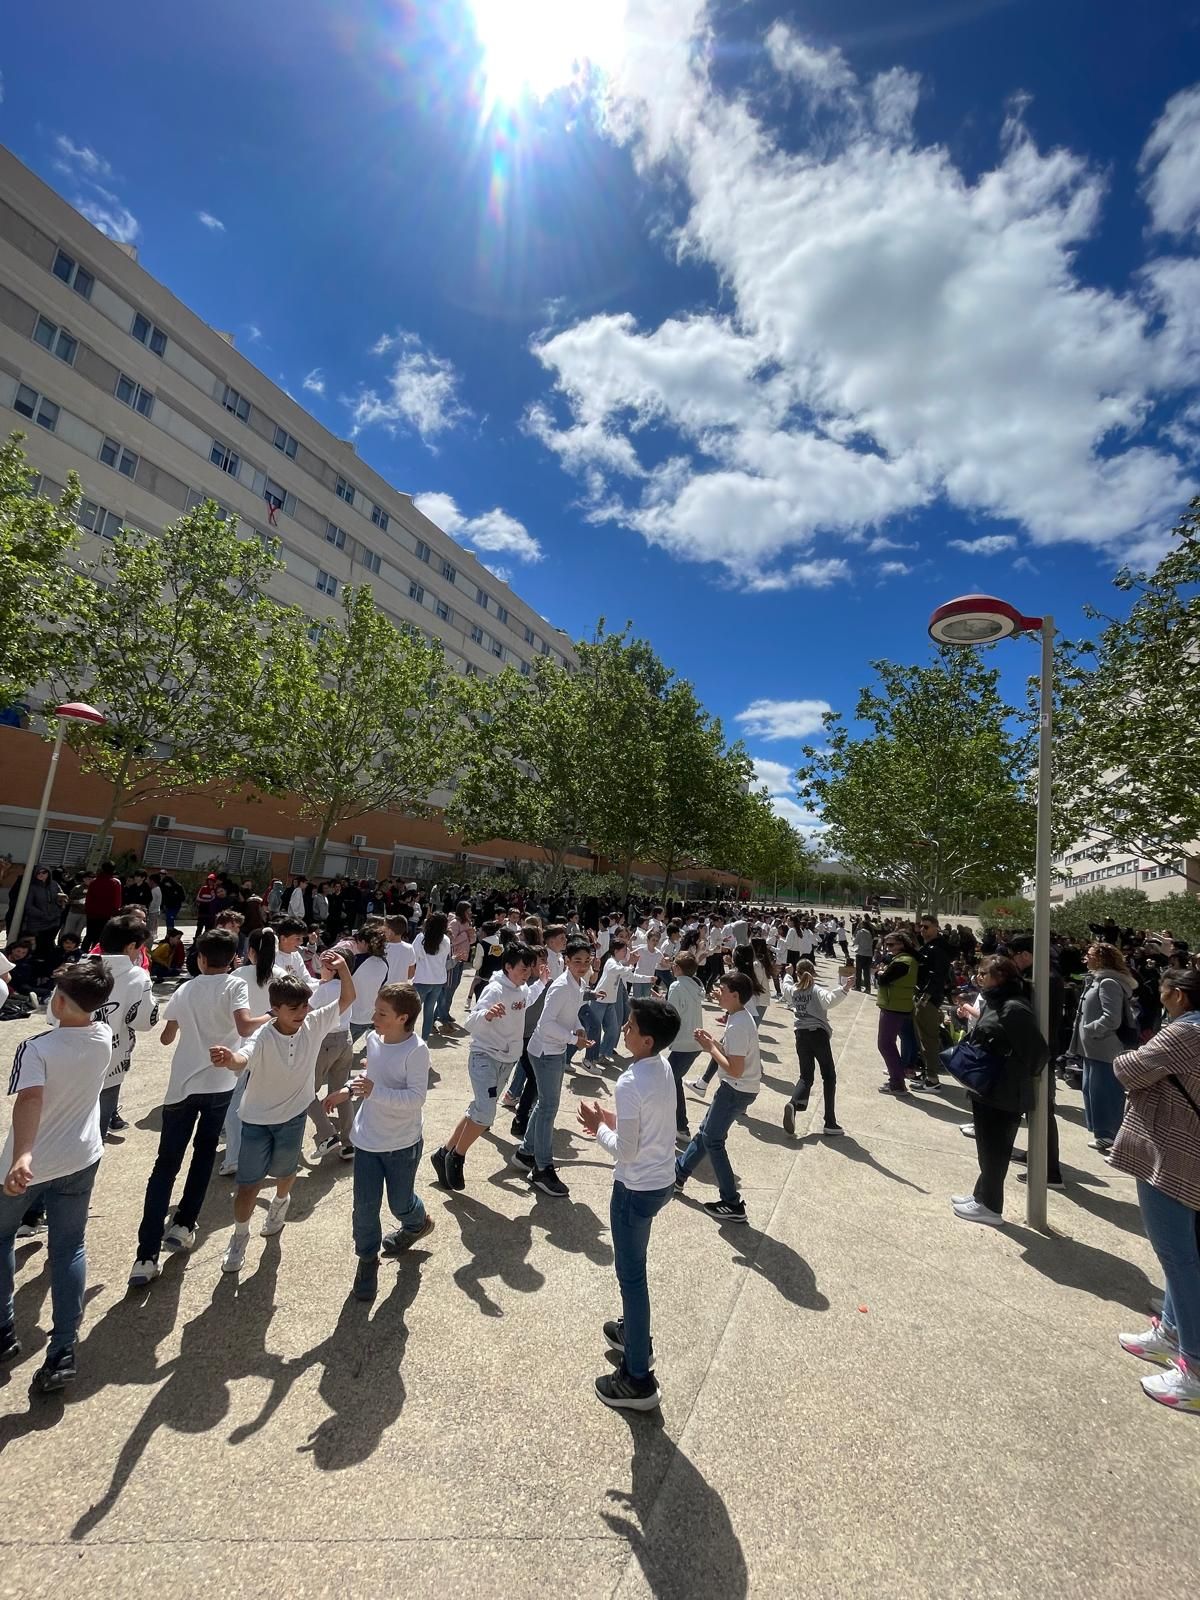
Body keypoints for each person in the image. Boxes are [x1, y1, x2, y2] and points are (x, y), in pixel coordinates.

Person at [0, 959, 115, 1394]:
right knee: (69, 1249)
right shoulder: (102, 1036)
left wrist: (22, 1155)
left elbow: (29, 1100)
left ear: (60, 1001)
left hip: (31, 1163)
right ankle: (63, 1350)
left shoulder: (37, 1048)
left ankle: (4, 1329)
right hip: (82, 1157)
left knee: (1, 1237)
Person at [127, 929, 266, 1287]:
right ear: (234, 959)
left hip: (181, 1086)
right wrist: (276, 1014)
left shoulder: (185, 988)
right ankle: (184, 1224)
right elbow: (244, 1025)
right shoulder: (235, 985)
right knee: (204, 1156)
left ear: (200, 959)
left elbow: (166, 1036)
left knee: (165, 1166)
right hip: (219, 1084)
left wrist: (188, 1023)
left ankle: (145, 1256)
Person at [210, 952, 354, 1274]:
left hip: (293, 1118)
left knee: (286, 1173)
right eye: (294, 1009)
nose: (302, 1013)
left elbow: (348, 998)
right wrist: (228, 1058)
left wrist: (343, 968)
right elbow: (242, 1060)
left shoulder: (314, 1023)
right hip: (256, 1121)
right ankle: (240, 1236)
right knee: (248, 1184)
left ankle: (279, 1205)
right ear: (275, 1010)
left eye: (305, 1006)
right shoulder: (263, 1035)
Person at [578, 997, 679, 1412]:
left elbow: (627, 1151)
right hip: (661, 1180)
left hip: (635, 1188)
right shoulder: (662, 1068)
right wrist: (614, 1122)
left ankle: (638, 1376)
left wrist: (599, 1127)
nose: (623, 1029)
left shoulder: (629, 1081)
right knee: (634, 1273)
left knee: (632, 1277)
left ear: (647, 1040)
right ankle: (633, 1334)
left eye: (631, 1027)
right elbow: (649, 1128)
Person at [1111, 966, 1200, 1414]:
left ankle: (1195, 1369)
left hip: (1176, 1153)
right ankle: (1172, 1330)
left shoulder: (1186, 1032)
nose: (1159, 997)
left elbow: (1128, 1067)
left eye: (1163, 992)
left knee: (1178, 1258)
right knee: (1187, 1254)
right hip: (1191, 1150)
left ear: (1180, 996)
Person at [323, 981, 435, 1302]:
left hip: (402, 1143)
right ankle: (367, 1260)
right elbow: (369, 1080)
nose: (374, 1017)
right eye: (376, 1010)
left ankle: (416, 1223)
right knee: (365, 1207)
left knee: (400, 1203)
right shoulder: (374, 1039)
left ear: (403, 1018)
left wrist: (374, 1091)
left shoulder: (417, 1050)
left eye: (382, 1013)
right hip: (369, 1140)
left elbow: (416, 1099)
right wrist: (346, 1091)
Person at [952, 956, 1048, 1226]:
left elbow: (1037, 1054)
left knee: (995, 1150)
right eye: (978, 973)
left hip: (1004, 1091)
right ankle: (981, 1196)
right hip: (987, 1088)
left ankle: (992, 1208)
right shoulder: (995, 1002)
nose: (979, 978)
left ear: (1002, 977)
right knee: (986, 1147)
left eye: (985, 974)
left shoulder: (1014, 1008)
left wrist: (1012, 1073)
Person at [432, 943, 534, 1192]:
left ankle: (443, 1153)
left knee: (478, 1109)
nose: (527, 973)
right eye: (523, 968)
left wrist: (543, 981)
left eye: (529, 968)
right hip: (484, 1057)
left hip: (506, 1060)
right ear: (508, 967)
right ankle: (457, 1156)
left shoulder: (522, 989)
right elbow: (470, 1020)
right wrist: (487, 1014)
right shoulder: (495, 989)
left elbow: (528, 1001)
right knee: (486, 1113)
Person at [675, 971, 760, 1224]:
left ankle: (732, 1202)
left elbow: (735, 1069)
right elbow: (734, 1058)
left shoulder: (738, 1025)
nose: (717, 993)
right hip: (738, 1089)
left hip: (735, 1089)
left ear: (735, 996)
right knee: (706, 1133)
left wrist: (710, 1047)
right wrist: (713, 1042)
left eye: (722, 990)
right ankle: (678, 1174)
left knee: (713, 1141)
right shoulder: (739, 1017)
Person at [511, 935, 593, 1197]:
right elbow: (545, 1024)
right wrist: (572, 1040)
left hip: (553, 1050)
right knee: (548, 1108)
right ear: (566, 960)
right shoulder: (561, 987)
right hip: (546, 1051)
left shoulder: (577, 984)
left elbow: (570, 1015)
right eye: (577, 960)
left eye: (586, 961)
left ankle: (526, 1153)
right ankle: (542, 1168)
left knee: (545, 1104)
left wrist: (578, 1028)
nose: (582, 965)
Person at [89, 913, 159, 1138]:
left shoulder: (76, 967)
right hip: (112, 1057)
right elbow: (146, 1021)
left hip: (68, 1056)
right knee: (98, 1127)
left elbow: (53, 1016)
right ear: (131, 947)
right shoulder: (137, 976)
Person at [1069, 943, 1138, 1153]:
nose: (1085, 958)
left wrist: (1090, 1030)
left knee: (1105, 1092)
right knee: (1092, 1090)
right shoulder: (1097, 980)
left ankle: (1112, 1135)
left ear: (1101, 958)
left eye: (1089, 955)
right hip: (1092, 1049)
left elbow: (1112, 1018)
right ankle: (1103, 1134)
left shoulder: (1108, 983)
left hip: (1104, 1049)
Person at [783, 959, 850, 1137]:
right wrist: (844, 989)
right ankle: (830, 1121)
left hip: (800, 1035)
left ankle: (794, 1103)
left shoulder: (794, 991)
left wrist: (788, 974)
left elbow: (786, 986)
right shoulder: (815, 989)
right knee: (828, 1076)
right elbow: (829, 1000)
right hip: (818, 1034)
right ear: (813, 971)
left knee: (805, 1076)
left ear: (798, 973)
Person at [665, 952, 704, 1143]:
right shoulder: (696, 985)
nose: (672, 967)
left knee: (666, 1084)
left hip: (682, 1044)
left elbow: (670, 1015)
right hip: (694, 1043)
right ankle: (680, 1126)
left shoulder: (676, 985)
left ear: (678, 968)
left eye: (674, 965)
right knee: (674, 1082)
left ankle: (679, 1127)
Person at [874, 930, 919, 1095]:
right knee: (891, 1043)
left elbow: (885, 979)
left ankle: (897, 1083)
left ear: (903, 944)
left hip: (894, 1007)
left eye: (892, 945)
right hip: (897, 1005)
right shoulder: (902, 959)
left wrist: (880, 973)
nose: (889, 948)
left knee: (885, 1044)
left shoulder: (904, 961)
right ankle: (898, 1078)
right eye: (887, 945)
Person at [912, 915, 950, 1091]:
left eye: (926, 927)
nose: (922, 930)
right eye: (921, 927)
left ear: (936, 928)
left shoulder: (939, 949)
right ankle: (928, 1074)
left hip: (929, 1000)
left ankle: (933, 1079)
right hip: (923, 996)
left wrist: (924, 998)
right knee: (923, 1039)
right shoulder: (929, 947)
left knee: (929, 1039)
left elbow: (937, 976)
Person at [582, 937, 630, 1065]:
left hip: (609, 1002)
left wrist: (648, 978)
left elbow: (630, 975)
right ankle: (578, 1056)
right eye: (624, 950)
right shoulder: (610, 962)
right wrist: (630, 963)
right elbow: (618, 970)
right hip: (598, 1001)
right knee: (590, 1029)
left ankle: (602, 1053)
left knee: (613, 1029)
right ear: (615, 950)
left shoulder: (619, 964)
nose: (626, 952)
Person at [412, 911, 452, 1042]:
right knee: (428, 1012)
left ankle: (408, 1038)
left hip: (421, 980)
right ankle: (425, 1040)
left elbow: (414, 957)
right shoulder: (446, 940)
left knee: (412, 1012)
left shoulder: (420, 938)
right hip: (438, 980)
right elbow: (445, 959)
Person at [84, 861, 122, 947]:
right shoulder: (115, 883)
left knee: (89, 935)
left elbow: (89, 898)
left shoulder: (94, 882)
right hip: (106, 915)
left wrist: (87, 910)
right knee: (101, 937)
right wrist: (115, 913)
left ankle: (83, 953)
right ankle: (95, 954)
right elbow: (117, 900)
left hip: (92, 913)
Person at [853, 920, 875, 992]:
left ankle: (858, 986)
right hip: (869, 954)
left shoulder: (860, 932)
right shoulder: (871, 933)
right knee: (866, 972)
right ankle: (868, 988)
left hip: (861, 953)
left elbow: (856, 942)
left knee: (858, 971)